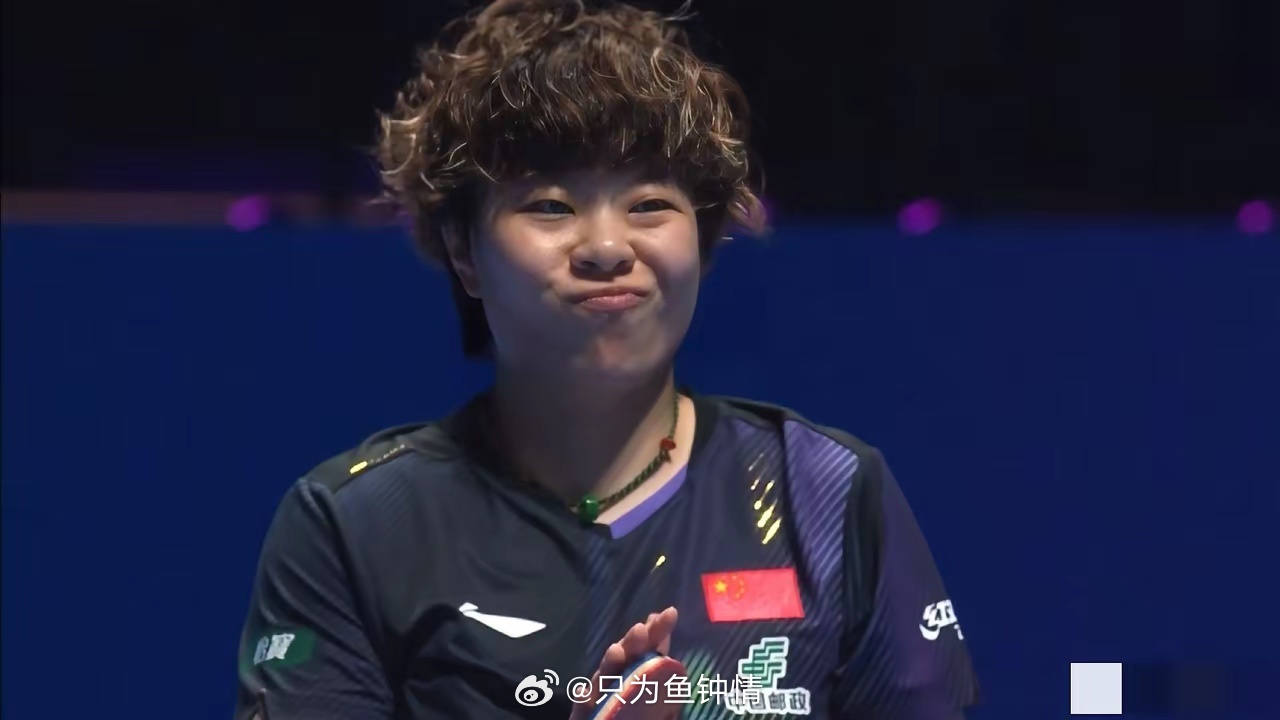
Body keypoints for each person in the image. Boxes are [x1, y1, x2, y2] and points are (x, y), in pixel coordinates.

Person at [233, 1, 980, 718]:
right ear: (463, 251)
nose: (607, 247)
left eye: (649, 203)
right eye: (550, 206)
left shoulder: (828, 495)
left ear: (703, 241)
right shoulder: (356, 524)